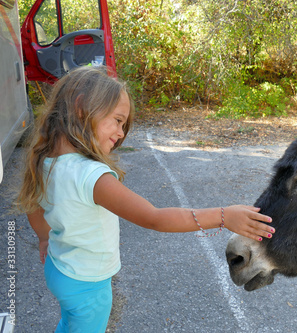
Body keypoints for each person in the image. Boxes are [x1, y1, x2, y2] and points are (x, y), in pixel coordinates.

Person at [16, 66, 275, 333]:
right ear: (81, 107)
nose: (120, 133)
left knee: (70, 323)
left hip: (59, 269)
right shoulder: (92, 176)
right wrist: (224, 216)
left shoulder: (46, 160)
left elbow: (34, 206)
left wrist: (45, 238)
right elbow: (155, 218)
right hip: (87, 285)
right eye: (117, 120)